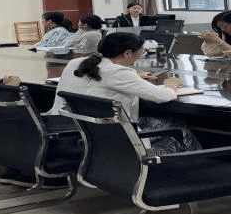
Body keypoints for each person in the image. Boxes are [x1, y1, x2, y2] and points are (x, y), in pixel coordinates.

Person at [48, 32, 201, 156]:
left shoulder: (76, 63)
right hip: (109, 132)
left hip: (75, 124)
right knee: (177, 124)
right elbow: (160, 96)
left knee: (153, 121)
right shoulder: (119, 73)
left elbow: (100, 79)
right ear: (128, 53)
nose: (140, 56)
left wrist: (134, 77)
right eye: (141, 52)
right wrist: (171, 87)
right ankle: (194, 164)